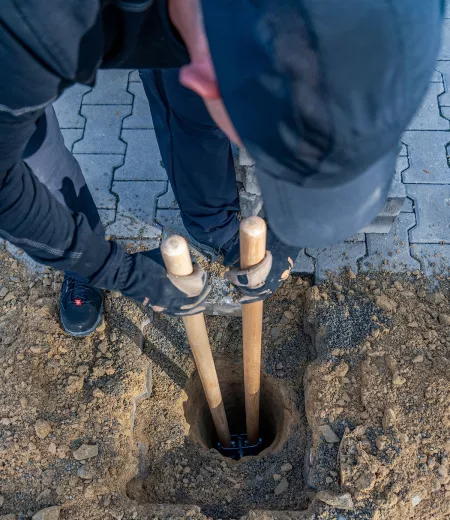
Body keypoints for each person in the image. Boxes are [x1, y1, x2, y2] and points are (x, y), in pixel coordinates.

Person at [0, 0, 443, 336]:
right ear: (203, 76)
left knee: (195, 99)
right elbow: (6, 186)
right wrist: (114, 271)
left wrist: (285, 238)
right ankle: (82, 260)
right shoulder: (31, 31)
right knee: (33, 151)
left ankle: (214, 226)